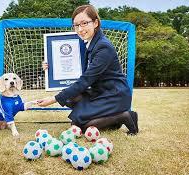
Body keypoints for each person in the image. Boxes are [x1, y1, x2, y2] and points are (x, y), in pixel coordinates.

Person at [37, 5, 138, 135]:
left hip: (114, 95)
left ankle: (123, 116)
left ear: (95, 23)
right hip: (100, 92)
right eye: (76, 25)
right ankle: (111, 121)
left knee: (79, 125)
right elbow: (74, 64)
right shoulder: (89, 42)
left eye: (84, 23)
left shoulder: (103, 47)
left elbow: (85, 80)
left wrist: (53, 99)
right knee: (70, 99)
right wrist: (51, 65)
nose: (80, 29)